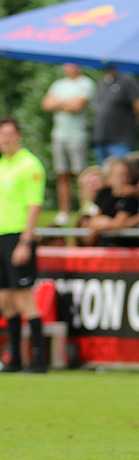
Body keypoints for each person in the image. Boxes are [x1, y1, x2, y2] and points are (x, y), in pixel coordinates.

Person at [0, 117, 47, 373]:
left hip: (18, 235)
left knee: (24, 298)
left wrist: (25, 241)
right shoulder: (2, 165)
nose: (5, 139)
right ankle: (15, 358)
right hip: (1, 236)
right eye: (1, 135)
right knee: (5, 300)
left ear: (18, 135)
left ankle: (39, 359)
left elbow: (34, 205)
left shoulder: (29, 165)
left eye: (9, 134)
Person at [41, 63, 96, 225]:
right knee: (62, 174)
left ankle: (85, 206)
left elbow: (77, 106)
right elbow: (46, 104)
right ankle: (64, 211)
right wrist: (67, 103)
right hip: (59, 135)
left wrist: (58, 103)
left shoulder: (86, 83)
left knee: (81, 174)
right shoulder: (58, 84)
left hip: (77, 135)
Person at [92, 67, 139, 164]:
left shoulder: (128, 80)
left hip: (121, 140)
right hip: (101, 138)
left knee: (120, 172)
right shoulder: (101, 82)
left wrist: (136, 120)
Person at [85, 157, 139, 247]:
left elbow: (118, 223)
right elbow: (93, 220)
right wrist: (130, 222)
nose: (123, 179)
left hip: (126, 247)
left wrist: (105, 224)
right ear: (110, 177)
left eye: (127, 175)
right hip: (106, 246)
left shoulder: (131, 197)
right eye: (119, 175)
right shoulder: (103, 193)